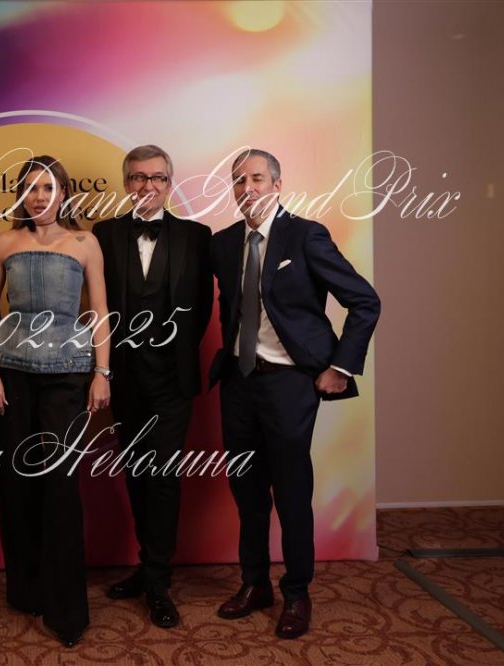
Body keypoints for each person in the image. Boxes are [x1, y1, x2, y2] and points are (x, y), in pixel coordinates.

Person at [209, 149, 381, 639]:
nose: (247, 189)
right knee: (246, 492)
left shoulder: (305, 236)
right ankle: (254, 583)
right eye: (238, 180)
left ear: (277, 184)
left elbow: (365, 301)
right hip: (239, 382)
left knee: (290, 491)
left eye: (257, 179)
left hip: (288, 383)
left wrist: (340, 367)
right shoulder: (223, 243)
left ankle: (297, 592)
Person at [0, 155, 111, 647]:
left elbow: (100, 312)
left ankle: (67, 610)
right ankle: (26, 590)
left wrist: (102, 374)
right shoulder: (5, 242)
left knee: (60, 488)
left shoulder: (85, 243)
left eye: (48, 187)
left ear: (63, 192)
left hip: (68, 377)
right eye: (30, 188)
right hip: (11, 377)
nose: (39, 197)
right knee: (16, 486)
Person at [93, 145, 212, 628]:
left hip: (171, 381)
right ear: (127, 184)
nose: (148, 186)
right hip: (122, 378)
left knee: (162, 476)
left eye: (157, 177)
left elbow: (202, 309)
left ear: (169, 183)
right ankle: (148, 567)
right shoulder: (104, 234)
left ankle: (158, 581)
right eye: (139, 177)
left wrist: (173, 353)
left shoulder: (197, 236)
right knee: (137, 474)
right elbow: (99, 307)